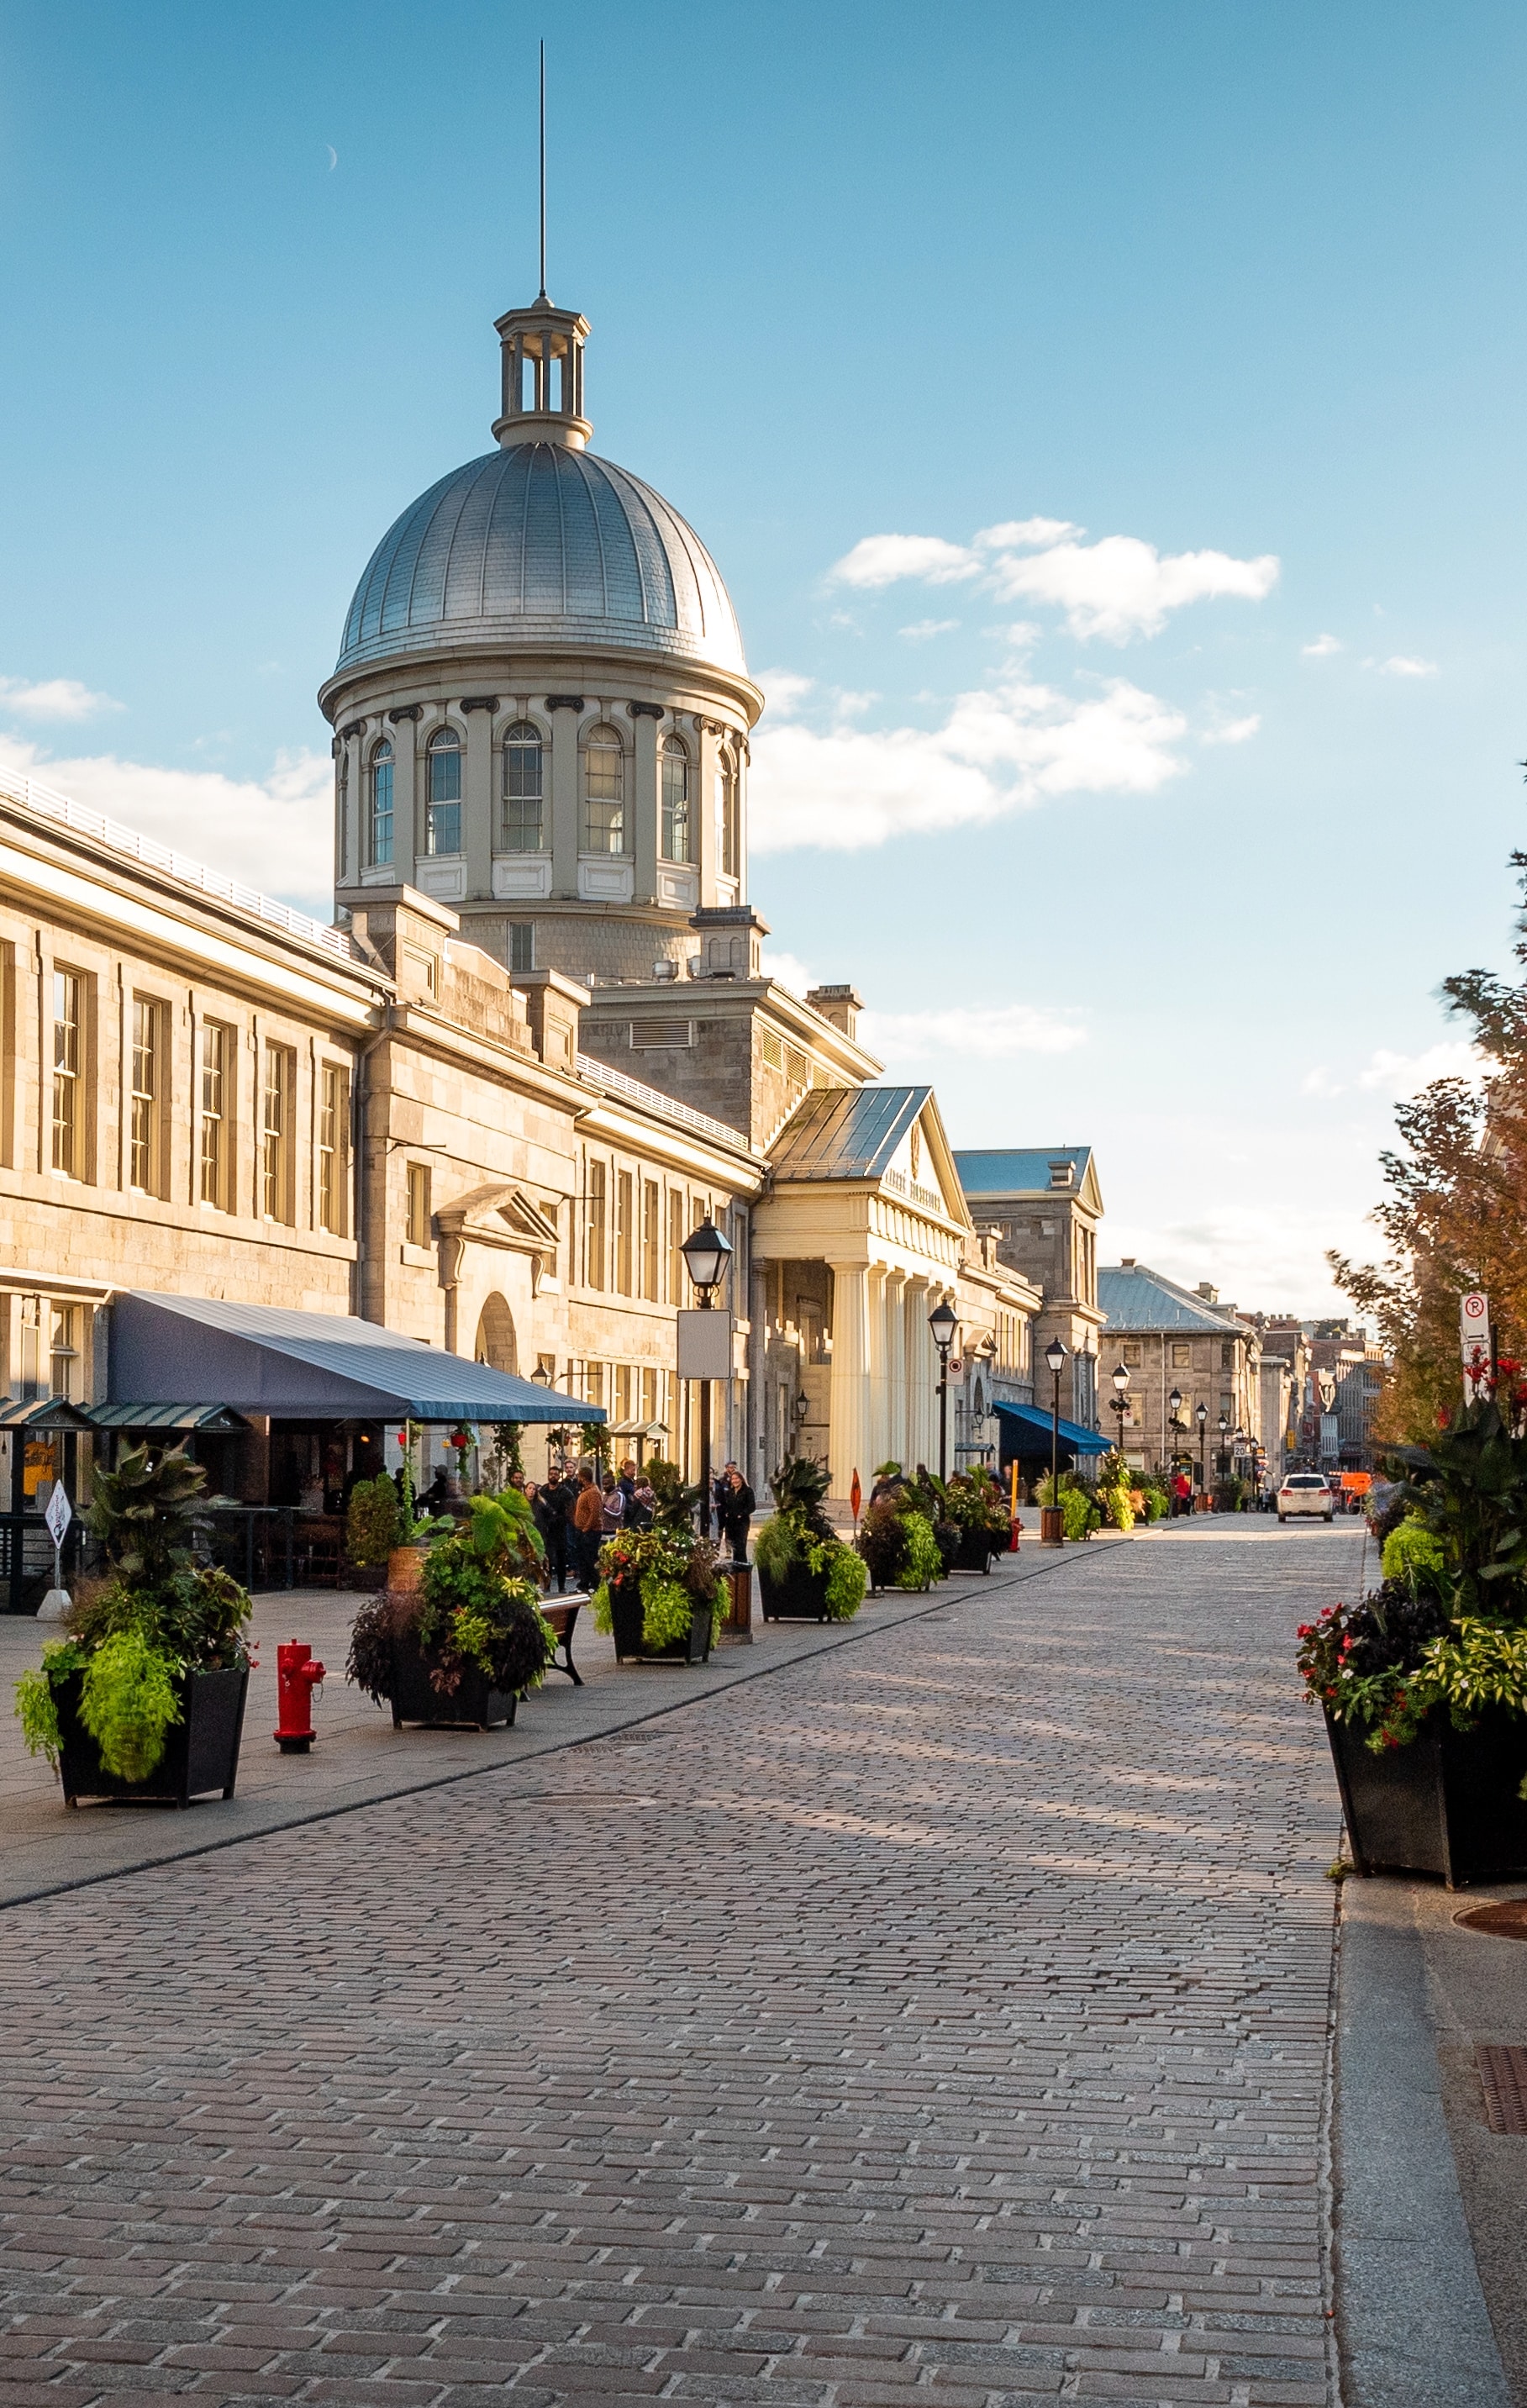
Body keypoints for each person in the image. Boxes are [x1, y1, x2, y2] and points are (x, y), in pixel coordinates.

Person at [532, 1473, 571, 1593]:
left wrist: (559, 1519)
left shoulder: (564, 1491)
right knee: (547, 1560)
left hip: (560, 1530)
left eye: (555, 1474)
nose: (553, 1476)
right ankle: (546, 1585)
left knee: (561, 1559)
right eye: (551, 1474)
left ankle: (561, 1586)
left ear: (559, 1476)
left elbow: (566, 1507)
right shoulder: (543, 1491)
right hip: (547, 1533)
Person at [571, 1467, 603, 1589]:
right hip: (583, 1530)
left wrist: (586, 1528)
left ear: (583, 1478)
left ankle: (595, 1583)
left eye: (579, 1476)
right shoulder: (586, 1491)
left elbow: (595, 1513)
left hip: (590, 1531)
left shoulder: (593, 1492)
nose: (577, 1479)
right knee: (583, 1559)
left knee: (590, 1558)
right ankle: (584, 1582)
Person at [722, 1465, 756, 1563]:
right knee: (734, 1547)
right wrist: (727, 1513)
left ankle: (743, 1568)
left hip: (742, 1523)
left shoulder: (748, 1491)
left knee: (741, 1546)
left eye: (737, 1478)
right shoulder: (730, 1492)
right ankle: (736, 1566)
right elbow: (726, 1505)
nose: (735, 1481)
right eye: (733, 1479)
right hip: (731, 1523)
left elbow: (752, 1507)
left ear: (741, 1479)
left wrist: (742, 1514)